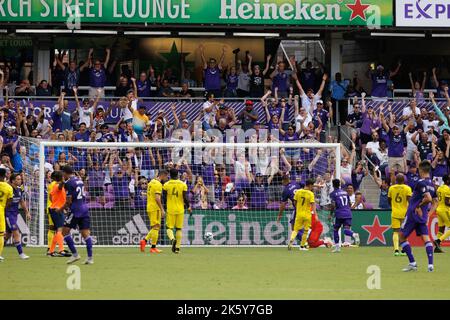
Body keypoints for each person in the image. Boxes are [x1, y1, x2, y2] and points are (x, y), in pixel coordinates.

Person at [399, 160, 438, 272]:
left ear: (420, 170)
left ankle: (412, 263)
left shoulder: (420, 183)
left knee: (402, 236)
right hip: (423, 216)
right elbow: (435, 202)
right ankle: (430, 265)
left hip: (413, 214)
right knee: (426, 238)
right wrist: (429, 215)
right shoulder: (432, 185)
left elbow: (429, 199)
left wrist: (418, 206)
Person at [60, 165, 94, 265]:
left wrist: (61, 209)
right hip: (84, 209)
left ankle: (75, 254)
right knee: (86, 234)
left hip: (76, 210)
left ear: (65, 173)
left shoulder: (69, 183)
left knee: (64, 232)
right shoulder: (79, 180)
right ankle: (90, 258)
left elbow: (69, 200)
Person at [140, 170, 168, 253]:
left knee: (155, 227)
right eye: (166, 176)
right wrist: (162, 209)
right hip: (155, 208)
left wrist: (144, 194)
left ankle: (144, 241)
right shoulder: (158, 184)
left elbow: (150, 194)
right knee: (156, 227)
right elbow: (157, 198)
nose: (166, 178)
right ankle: (153, 247)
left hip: (149, 207)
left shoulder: (152, 182)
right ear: (162, 175)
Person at [163, 169, 191, 254]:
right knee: (179, 229)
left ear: (169, 175)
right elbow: (185, 197)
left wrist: (164, 208)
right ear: (178, 174)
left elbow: (163, 198)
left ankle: (172, 239)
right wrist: (189, 206)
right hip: (180, 209)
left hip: (170, 209)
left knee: (169, 228)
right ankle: (177, 248)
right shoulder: (183, 184)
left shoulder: (166, 185)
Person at [329, 179, 360, 253]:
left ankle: (337, 248)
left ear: (333, 185)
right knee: (346, 230)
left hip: (339, 214)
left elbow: (333, 205)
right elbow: (349, 203)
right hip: (348, 213)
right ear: (339, 184)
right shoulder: (345, 192)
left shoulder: (333, 193)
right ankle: (354, 234)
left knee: (336, 229)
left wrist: (330, 214)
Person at [3, 173, 30, 260]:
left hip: (15, 214)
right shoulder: (8, 189)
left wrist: (27, 212)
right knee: (16, 232)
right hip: (8, 214)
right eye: (18, 179)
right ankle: (21, 253)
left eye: (20, 179)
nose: (20, 180)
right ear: (13, 181)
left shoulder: (19, 190)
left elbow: (21, 202)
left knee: (7, 235)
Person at [288, 179, 316, 251]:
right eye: (312, 186)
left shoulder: (298, 192)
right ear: (310, 185)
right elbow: (312, 204)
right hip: (307, 214)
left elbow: (294, 202)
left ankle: (291, 240)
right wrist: (314, 214)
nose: (312, 187)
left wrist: (298, 207)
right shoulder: (310, 194)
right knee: (306, 231)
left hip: (299, 213)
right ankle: (302, 246)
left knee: (295, 230)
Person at [388, 173, 412, 256]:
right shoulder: (407, 188)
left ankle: (396, 250)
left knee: (395, 232)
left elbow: (389, 199)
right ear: (404, 180)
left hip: (395, 212)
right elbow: (410, 201)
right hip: (404, 213)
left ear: (396, 180)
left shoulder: (391, 188)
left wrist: (393, 206)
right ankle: (403, 250)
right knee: (404, 232)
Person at [46, 171, 68, 257]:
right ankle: (61, 250)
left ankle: (50, 251)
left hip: (54, 209)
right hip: (57, 210)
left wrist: (56, 203)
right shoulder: (58, 186)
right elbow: (61, 185)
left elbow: (50, 197)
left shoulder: (54, 186)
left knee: (56, 231)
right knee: (59, 230)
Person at [433, 175, 450, 253]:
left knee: (441, 228)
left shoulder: (440, 188)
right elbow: (446, 202)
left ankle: (437, 248)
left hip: (439, 209)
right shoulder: (447, 189)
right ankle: (438, 241)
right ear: (447, 181)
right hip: (444, 210)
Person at [0, 168, 14, 262]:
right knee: (1, 235)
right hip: (1, 211)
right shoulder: (8, 187)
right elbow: (10, 201)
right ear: (5, 175)